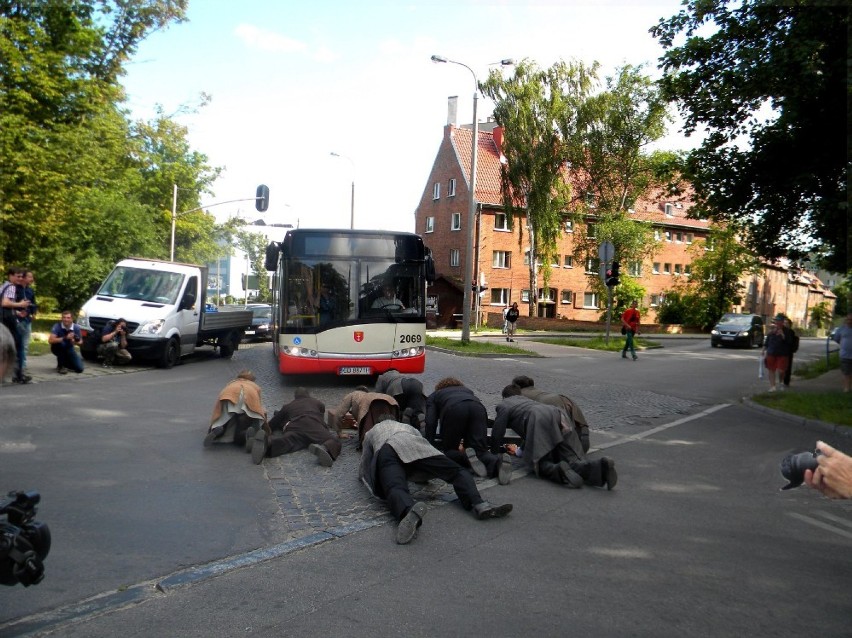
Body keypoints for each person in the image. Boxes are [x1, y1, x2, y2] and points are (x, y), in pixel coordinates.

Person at [359, 412, 513, 544]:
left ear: (378, 422)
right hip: (415, 444)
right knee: (456, 472)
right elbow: (420, 452)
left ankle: (407, 511)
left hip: (387, 449)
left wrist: (364, 477)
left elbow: (366, 459)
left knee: (395, 486)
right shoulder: (407, 427)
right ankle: (479, 504)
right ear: (395, 419)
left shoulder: (372, 431)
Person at [492, 384, 617, 490]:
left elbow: (498, 431)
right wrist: (519, 451)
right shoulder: (527, 401)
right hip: (558, 413)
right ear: (519, 394)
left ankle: (558, 470)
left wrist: (494, 453)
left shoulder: (504, 404)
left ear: (504, 396)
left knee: (538, 463)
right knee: (572, 458)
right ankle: (600, 467)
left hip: (538, 417)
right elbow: (529, 436)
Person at [425, 377, 513, 484]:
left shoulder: (435, 395)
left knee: (450, 450)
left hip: (454, 410)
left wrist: (429, 444)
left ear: (439, 388)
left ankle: (466, 458)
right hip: (478, 408)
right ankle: (497, 462)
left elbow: (430, 421)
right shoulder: (468, 391)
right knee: (481, 450)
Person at [250, 387, 342, 466]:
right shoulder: (317, 403)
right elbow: (321, 414)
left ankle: (268, 443)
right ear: (308, 395)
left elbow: (274, 422)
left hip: (295, 426)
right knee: (334, 440)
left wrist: (265, 430)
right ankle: (325, 448)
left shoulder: (288, 406)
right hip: (314, 424)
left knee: (287, 441)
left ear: (295, 397)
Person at [511, 375, 591, 453]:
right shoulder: (534, 389)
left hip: (546, 404)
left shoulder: (519, 394)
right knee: (578, 421)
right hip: (562, 398)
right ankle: (583, 439)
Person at [205, 370, 267, 447]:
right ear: (252, 380)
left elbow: (218, 410)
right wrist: (266, 427)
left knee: (223, 420)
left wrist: (213, 423)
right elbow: (260, 408)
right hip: (247, 398)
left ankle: (216, 430)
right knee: (242, 421)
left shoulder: (231, 384)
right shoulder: (254, 386)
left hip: (229, 396)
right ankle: (244, 434)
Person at [329, 387, 400, 449]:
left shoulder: (353, 394)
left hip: (371, 403)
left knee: (367, 435)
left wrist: (339, 433)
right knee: (391, 427)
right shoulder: (371, 394)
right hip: (390, 400)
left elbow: (339, 413)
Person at [1, 267, 31, 383]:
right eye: (17, 276)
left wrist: (17, 311)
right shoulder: (11, 287)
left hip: (4, 319)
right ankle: (19, 374)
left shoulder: (4, 286)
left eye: (21, 277)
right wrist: (20, 304)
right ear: (11, 275)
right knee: (19, 345)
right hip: (9, 322)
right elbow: (5, 303)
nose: (19, 279)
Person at [762, 313, 794, 392]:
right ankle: (772, 386)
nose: (777, 322)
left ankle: (781, 382)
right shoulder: (772, 329)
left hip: (782, 353)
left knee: (781, 370)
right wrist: (763, 349)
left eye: (779, 321)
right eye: (776, 321)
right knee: (771, 369)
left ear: (782, 322)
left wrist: (783, 336)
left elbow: (790, 342)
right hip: (771, 352)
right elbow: (767, 340)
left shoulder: (787, 331)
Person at [48, 310, 84, 374]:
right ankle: (61, 366)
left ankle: (66, 364)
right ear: (61, 318)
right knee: (61, 344)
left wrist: (75, 341)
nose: (66, 319)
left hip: (69, 348)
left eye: (68, 318)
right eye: (64, 317)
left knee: (79, 369)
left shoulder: (76, 327)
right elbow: (50, 340)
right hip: (57, 348)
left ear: (72, 319)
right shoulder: (57, 326)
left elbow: (81, 342)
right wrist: (65, 338)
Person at [18, 270, 36, 376]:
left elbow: (33, 303)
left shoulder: (30, 291)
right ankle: (16, 365)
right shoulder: (16, 290)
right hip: (18, 320)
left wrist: (34, 313)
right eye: (30, 277)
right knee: (18, 343)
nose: (32, 279)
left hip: (27, 320)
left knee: (25, 344)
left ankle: (23, 366)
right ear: (23, 278)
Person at [831, 312, 852, 393]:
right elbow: (836, 338)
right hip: (845, 355)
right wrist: (844, 344)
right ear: (846, 320)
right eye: (848, 319)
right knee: (846, 372)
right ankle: (847, 388)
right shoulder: (841, 329)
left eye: (851, 320)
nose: (850, 321)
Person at [782, 316, 799, 388]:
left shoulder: (791, 332)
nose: (785, 324)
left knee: (788, 367)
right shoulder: (781, 330)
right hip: (782, 351)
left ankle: (786, 381)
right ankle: (782, 380)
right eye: (784, 323)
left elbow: (790, 342)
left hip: (788, 352)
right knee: (782, 367)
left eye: (787, 323)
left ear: (789, 324)